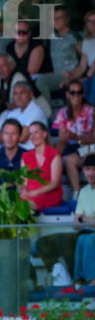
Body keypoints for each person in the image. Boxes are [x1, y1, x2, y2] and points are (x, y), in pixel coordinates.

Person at [54, 80, 94, 198]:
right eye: (73, 92)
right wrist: (62, 140)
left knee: (77, 159)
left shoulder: (91, 111)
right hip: (69, 149)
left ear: (83, 95)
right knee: (64, 159)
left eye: (79, 92)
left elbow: (93, 139)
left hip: (88, 148)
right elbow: (58, 141)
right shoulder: (62, 113)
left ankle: (83, 196)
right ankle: (75, 195)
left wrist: (75, 137)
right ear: (67, 94)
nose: (76, 95)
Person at [20, 121, 62, 211]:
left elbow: (54, 183)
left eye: (36, 132)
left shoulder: (54, 155)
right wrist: (23, 190)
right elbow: (24, 182)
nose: (33, 136)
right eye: (31, 134)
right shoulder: (26, 156)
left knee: (24, 205)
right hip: (29, 194)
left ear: (44, 134)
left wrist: (35, 192)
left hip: (49, 194)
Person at [5, 81, 48, 148]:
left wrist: (8, 136)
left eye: (22, 93)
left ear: (31, 95)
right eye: (15, 94)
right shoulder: (12, 113)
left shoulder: (36, 111)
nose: (18, 97)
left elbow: (22, 138)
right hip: (13, 152)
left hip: (31, 153)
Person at [73, 154, 95, 282]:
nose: (91, 173)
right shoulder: (84, 191)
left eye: (94, 169)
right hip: (87, 232)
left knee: (88, 240)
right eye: (88, 169)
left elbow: (81, 220)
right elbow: (76, 223)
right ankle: (79, 280)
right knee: (81, 239)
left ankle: (92, 281)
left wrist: (85, 219)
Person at [0, 119, 26, 183]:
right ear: (2, 135)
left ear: (19, 136)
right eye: (6, 133)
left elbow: (25, 183)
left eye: (13, 134)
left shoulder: (27, 155)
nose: (9, 137)